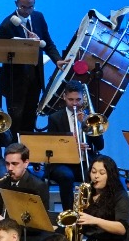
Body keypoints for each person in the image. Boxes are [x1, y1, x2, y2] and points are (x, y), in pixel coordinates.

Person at [0, 0, 62, 134]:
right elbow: (9, 58)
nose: (27, 11)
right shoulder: (6, 25)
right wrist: (28, 44)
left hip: (34, 79)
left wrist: (57, 60)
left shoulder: (38, 17)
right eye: (23, 7)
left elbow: (48, 43)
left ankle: (27, 153)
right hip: (16, 82)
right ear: (16, 3)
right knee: (16, 121)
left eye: (30, 7)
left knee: (30, 119)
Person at [39, 81, 106, 212]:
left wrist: (86, 125)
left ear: (83, 98)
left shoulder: (90, 118)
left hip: (85, 160)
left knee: (102, 172)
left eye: (78, 100)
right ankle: (69, 214)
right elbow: (52, 147)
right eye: (71, 100)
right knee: (66, 177)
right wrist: (72, 147)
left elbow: (100, 145)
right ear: (64, 97)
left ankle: (96, 213)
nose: (75, 104)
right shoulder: (55, 118)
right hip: (62, 163)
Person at [73, 155, 129, 241]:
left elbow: (122, 228)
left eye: (101, 173)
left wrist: (94, 220)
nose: (96, 176)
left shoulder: (120, 196)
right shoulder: (87, 194)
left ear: (110, 175)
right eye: (93, 172)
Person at [0, 142, 47, 220]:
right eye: (7, 164)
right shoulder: (0, 183)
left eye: (14, 164)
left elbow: (39, 223)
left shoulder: (38, 186)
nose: (10, 168)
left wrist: (5, 223)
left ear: (26, 163)